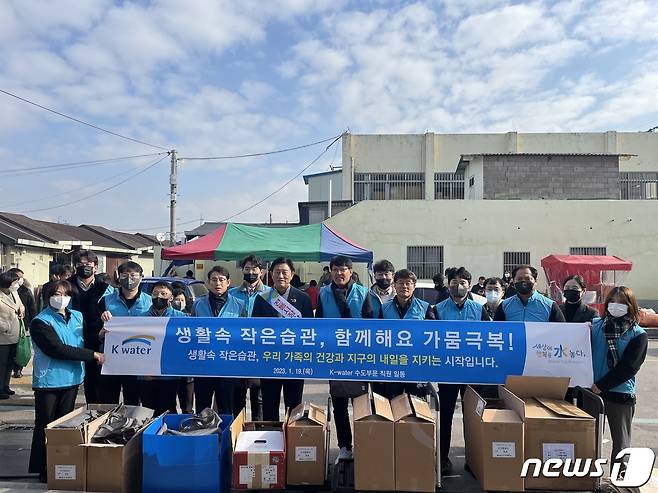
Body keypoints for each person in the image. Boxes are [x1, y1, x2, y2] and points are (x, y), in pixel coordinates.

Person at [28, 279, 104, 482]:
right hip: (49, 382)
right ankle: (43, 468)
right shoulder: (40, 322)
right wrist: (93, 355)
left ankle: (60, 464)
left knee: (64, 427)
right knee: (46, 425)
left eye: (65, 294)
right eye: (56, 293)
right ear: (47, 296)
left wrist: (103, 334)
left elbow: (86, 339)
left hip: (72, 379)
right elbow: (56, 349)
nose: (61, 298)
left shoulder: (77, 316)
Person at [316, 255, 374, 462]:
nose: (340, 273)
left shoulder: (363, 292)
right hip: (335, 357)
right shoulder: (323, 294)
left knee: (361, 405)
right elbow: (318, 325)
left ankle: (365, 446)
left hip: (359, 357)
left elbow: (370, 325)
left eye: (344, 269)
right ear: (330, 271)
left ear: (351, 272)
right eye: (336, 269)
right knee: (339, 404)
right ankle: (344, 446)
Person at [433, 266, 490, 476]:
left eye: (463, 282)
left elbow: (489, 337)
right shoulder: (437, 309)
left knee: (473, 418)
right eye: (454, 281)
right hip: (447, 373)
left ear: (470, 285)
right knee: (445, 416)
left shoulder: (479, 309)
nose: (459, 285)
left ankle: (473, 459)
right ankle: (443, 459)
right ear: (448, 284)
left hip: (472, 374)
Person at [590, 287, 648, 469]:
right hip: (591, 392)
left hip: (619, 393)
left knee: (621, 444)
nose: (616, 306)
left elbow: (629, 368)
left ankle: (619, 481)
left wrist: (601, 385)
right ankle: (588, 478)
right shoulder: (594, 326)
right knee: (588, 439)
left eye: (622, 302)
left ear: (631, 306)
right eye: (613, 301)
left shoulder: (638, 334)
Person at [252, 258, 314, 420]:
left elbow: (310, 331)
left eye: (284, 272)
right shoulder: (262, 298)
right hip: (269, 360)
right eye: (277, 272)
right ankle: (273, 440)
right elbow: (255, 330)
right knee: (269, 404)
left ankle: (291, 439)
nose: (281, 276)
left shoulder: (303, 298)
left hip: (294, 360)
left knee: (294, 405)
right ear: (271, 274)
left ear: (292, 275)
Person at [192, 266, 246, 416]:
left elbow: (243, 335)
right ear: (208, 283)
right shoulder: (198, 304)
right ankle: (202, 436)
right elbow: (191, 332)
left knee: (226, 408)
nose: (218, 283)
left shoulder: (239, 305)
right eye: (214, 280)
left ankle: (225, 438)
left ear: (228, 282)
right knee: (202, 407)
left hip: (227, 365)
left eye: (221, 280)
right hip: (203, 364)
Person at [99, 261, 152, 404]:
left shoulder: (150, 302)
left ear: (141, 277)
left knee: (133, 402)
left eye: (133, 275)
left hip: (137, 359)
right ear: (118, 277)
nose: (129, 279)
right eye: (125, 275)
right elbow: (96, 330)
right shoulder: (106, 301)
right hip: (111, 358)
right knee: (109, 401)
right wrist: (101, 333)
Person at [377, 269, 434, 399]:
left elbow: (433, 338)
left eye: (408, 283)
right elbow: (378, 338)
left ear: (414, 286)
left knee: (417, 408)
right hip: (392, 365)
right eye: (400, 283)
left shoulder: (425, 308)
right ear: (394, 285)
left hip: (416, 365)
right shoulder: (384, 308)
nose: (404, 286)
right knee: (392, 405)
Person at [68, 250, 112, 404]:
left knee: (96, 380)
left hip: (99, 338)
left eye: (88, 264)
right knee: (73, 379)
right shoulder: (67, 286)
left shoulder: (106, 288)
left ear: (96, 267)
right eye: (80, 265)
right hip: (73, 338)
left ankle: (96, 411)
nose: (84, 267)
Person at [228, 255, 267, 418]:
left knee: (259, 398)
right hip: (238, 350)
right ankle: (237, 434)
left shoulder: (271, 295)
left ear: (261, 272)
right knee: (237, 397)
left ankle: (258, 432)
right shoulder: (231, 294)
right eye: (247, 269)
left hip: (261, 350)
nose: (250, 272)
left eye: (254, 269)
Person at [140, 281, 187, 415]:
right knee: (148, 411)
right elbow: (136, 348)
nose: (158, 297)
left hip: (169, 375)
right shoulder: (140, 318)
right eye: (155, 294)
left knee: (168, 409)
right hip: (146, 375)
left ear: (171, 298)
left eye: (163, 294)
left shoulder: (181, 318)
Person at [494, 265, 566, 322]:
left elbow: (561, 331)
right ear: (513, 281)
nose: (523, 282)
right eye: (519, 279)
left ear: (535, 281)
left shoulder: (550, 306)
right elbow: (495, 330)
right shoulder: (504, 306)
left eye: (527, 279)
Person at [8, 268, 37, 379]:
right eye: (17, 277)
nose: (20, 279)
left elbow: (32, 308)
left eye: (21, 277)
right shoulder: (5, 290)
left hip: (23, 324)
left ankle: (18, 369)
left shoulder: (25, 291)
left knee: (21, 348)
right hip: (8, 326)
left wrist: (32, 323)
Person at [0, 271, 24, 399]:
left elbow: (20, 305)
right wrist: (5, 327)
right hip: (2, 336)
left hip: (15, 334)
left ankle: (5, 386)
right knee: (1, 363)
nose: (16, 285)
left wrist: (21, 311)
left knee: (10, 363)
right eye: (14, 282)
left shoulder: (14, 293)